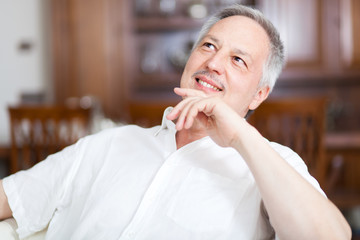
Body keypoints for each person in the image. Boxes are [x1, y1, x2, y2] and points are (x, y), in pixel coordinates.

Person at [0, 4, 351, 240]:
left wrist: (241, 136)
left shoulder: (270, 165)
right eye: (209, 46)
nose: (214, 63)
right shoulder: (108, 144)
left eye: (238, 60)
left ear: (259, 95)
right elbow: (12, 198)